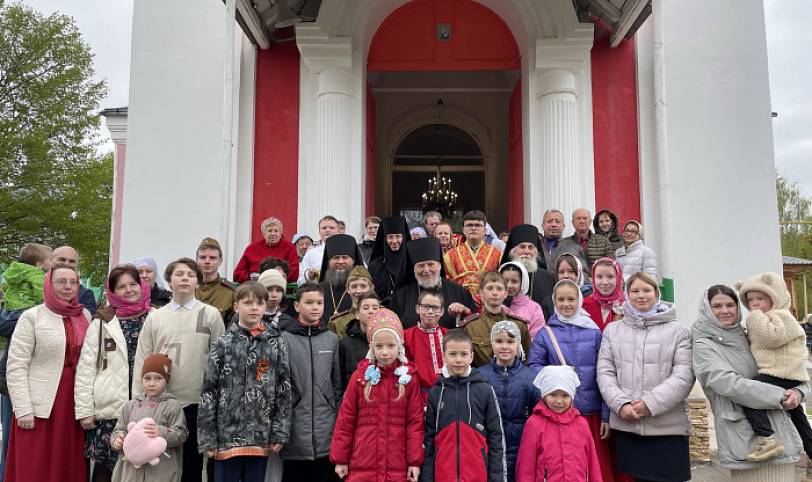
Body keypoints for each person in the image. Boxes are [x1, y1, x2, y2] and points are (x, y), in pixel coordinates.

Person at [692, 285, 809, 482]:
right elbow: (729, 384)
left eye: (730, 305)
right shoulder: (704, 346)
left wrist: (799, 392)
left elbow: (790, 371)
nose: (725, 310)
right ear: (706, 309)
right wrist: (781, 396)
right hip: (747, 441)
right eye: (717, 306)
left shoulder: (753, 336)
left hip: (783, 435)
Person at [132, 258, 225, 482]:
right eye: (179, 274)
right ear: (169, 281)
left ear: (197, 282)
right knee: (159, 464)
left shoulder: (210, 315)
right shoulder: (155, 317)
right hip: (160, 403)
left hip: (196, 402)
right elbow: (143, 358)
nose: (185, 278)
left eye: (191, 275)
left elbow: (221, 361)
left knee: (192, 466)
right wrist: (138, 400)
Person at [596, 272, 693, 482]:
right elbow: (605, 372)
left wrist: (650, 403)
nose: (641, 295)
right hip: (629, 424)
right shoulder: (612, 331)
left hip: (667, 428)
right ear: (627, 294)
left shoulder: (679, 331)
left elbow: (684, 375)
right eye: (635, 291)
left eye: (647, 290)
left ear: (656, 293)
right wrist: (621, 404)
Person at [198, 281, 292, 482]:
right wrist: (207, 437)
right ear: (236, 306)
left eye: (260, 303)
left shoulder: (276, 342)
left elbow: (283, 389)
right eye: (248, 303)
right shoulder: (223, 344)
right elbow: (209, 392)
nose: (254, 308)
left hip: (260, 434)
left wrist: (280, 431)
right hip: (226, 436)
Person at [5, 264, 91, 482]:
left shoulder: (84, 316)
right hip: (39, 405)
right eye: (61, 281)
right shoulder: (32, 317)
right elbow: (16, 365)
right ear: (49, 284)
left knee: (67, 464)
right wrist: (23, 408)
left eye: (73, 282)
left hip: (74, 402)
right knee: (35, 466)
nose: (68, 286)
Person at [527, 279, 612, 482]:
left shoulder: (594, 332)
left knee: (592, 467)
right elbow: (534, 367)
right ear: (554, 301)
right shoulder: (545, 334)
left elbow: (605, 373)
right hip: (558, 413)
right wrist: (558, 374)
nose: (566, 304)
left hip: (590, 414)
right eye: (561, 299)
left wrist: (606, 415)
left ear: (579, 300)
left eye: (571, 299)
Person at [74, 264, 152, 482]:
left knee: (142, 468)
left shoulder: (154, 317)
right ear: (113, 291)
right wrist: (84, 410)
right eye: (121, 287)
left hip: (145, 406)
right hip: (110, 410)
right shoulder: (102, 322)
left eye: (133, 284)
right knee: (106, 468)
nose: (128, 290)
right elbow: (86, 369)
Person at [330, 309, 424, 482]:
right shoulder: (359, 377)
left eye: (391, 346)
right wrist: (341, 459)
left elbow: (415, 424)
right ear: (371, 347)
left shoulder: (408, 379)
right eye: (379, 346)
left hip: (397, 466)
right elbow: (346, 421)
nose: (385, 352)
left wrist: (414, 462)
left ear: (400, 346)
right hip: (362, 463)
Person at [735, 272, 812, 464]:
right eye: (750, 300)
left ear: (774, 297)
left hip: (783, 372)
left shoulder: (782, 316)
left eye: (760, 298)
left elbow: (773, 338)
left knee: (748, 392)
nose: (754, 304)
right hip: (784, 373)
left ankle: (767, 437)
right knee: (799, 418)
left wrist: (754, 318)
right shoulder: (768, 317)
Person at [420, 329, 506, 482]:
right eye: (453, 354)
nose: (458, 360)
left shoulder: (485, 390)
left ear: (471, 356)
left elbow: (496, 438)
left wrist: (497, 478)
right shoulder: (436, 392)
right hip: (444, 476)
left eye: (464, 354)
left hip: (477, 475)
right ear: (444, 356)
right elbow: (429, 440)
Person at [280, 283, 342, 482]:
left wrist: (335, 416)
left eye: (319, 303)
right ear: (297, 306)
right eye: (309, 302)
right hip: (295, 430)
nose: (315, 307)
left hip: (326, 431)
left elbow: (337, 384)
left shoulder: (331, 339)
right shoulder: (284, 339)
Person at [0, 242, 51, 480]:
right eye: (50, 260)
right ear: (40, 264)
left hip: (11, 312)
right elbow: (44, 295)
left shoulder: (12, 273)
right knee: (12, 436)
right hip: (24, 315)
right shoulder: (36, 277)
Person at [516, 365, 603, 482]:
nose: (559, 401)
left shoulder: (581, 424)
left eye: (565, 395)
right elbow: (526, 466)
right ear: (544, 395)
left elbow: (593, 462)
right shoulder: (534, 424)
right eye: (553, 394)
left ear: (572, 397)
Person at [110, 353, 188, 482]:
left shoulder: (172, 405)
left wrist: (161, 431)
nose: (152, 383)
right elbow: (119, 429)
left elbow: (181, 434)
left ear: (166, 380)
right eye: (147, 378)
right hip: (132, 472)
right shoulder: (130, 406)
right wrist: (117, 440)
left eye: (158, 378)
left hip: (161, 470)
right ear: (141, 380)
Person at [479, 322, 540, 482]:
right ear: (492, 343)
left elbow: (538, 416)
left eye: (510, 341)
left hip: (522, 449)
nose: (504, 346)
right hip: (489, 450)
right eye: (499, 341)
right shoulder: (480, 376)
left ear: (518, 344)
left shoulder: (531, 378)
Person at [390, 238, 476, 329]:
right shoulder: (401, 296)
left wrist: (465, 312)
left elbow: (474, 326)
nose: (426, 270)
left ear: (439, 266)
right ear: (414, 269)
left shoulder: (460, 292)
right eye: (421, 266)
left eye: (431, 264)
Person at [460, 272, 531, 367]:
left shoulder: (519, 325)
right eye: (490, 288)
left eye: (499, 288)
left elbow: (525, 360)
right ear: (481, 293)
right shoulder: (470, 327)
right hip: (481, 375)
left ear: (505, 293)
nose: (495, 293)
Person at [500, 224, 556, 320]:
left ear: (536, 252)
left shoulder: (548, 278)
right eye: (522, 247)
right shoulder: (501, 276)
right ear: (513, 251)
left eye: (531, 247)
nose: (527, 251)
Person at [402, 289, 448, 404]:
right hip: (418, 395)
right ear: (418, 309)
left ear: (442, 311)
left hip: (447, 393)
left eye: (435, 307)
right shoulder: (406, 336)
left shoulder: (449, 335)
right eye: (425, 307)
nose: (430, 311)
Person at [444, 210, 503, 298]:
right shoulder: (450, 256)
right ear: (463, 230)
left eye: (478, 225)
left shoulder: (498, 255)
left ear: (485, 230)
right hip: (460, 300)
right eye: (469, 225)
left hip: (488, 301)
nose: (473, 228)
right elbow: (448, 283)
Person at [234, 217, 300, 283]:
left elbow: (294, 273)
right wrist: (253, 277)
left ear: (280, 233)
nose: (273, 234)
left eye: (276, 231)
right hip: (256, 285)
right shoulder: (251, 249)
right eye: (270, 231)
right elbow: (237, 274)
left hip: (280, 286)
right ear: (263, 233)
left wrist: (273, 277)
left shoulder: (289, 247)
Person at [338, 292, 381, 388]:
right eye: (366, 308)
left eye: (375, 308)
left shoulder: (388, 341)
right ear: (357, 314)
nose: (371, 311)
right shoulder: (345, 344)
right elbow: (339, 379)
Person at [318, 234, 363, 324]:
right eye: (336, 258)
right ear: (328, 261)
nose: (340, 261)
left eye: (345, 257)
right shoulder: (319, 290)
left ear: (353, 260)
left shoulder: (363, 290)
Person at [368, 216, 411, 305]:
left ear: (404, 238)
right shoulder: (375, 265)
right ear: (385, 239)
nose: (394, 241)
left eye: (398, 236)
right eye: (390, 237)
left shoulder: (412, 263)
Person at [500, 262, 545, 339]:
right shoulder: (495, 304)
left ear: (522, 283)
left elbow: (537, 338)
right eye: (505, 281)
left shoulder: (534, 308)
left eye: (514, 281)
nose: (509, 285)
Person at [326, 266, 374, 339]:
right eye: (354, 286)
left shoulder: (383, 316)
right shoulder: (337, 323)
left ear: (371, 288)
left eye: (363, 286)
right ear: (347, 289)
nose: (358, 291)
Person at [539, 210, 588, 280]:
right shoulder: (534, 247)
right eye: (549, 221)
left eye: (558, 221)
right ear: (542, 225)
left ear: (563, 226)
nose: (553, 225)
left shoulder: (574, 247)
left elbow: (583, 275)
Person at [195, 237, 235, 322]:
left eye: (212, 258)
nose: (207, 261)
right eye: (203, 257)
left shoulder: (231, 292)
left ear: (220, 261)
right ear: (196, 260)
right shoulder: (187, 288)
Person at [52, 246, 98, 315]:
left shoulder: (84, 295)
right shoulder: (37, 287)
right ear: (51, 262)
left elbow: (88, 319)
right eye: (62, 259)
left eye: (72, 261)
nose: (67, 263)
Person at [582, 258, 624, 331]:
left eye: (610, 276)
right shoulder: (584, 305)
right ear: (593, 278)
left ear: (618, 278)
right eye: (599, 277)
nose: (604, 282)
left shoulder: (627, 306)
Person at [299, 216, 341, 285]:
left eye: (332, 228)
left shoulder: (349, 250)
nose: (327, 230)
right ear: (319, 232)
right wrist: (308, 276)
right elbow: (299, 281)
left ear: (339, 231)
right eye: (324, 228)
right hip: (318, 290)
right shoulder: (311, 254)